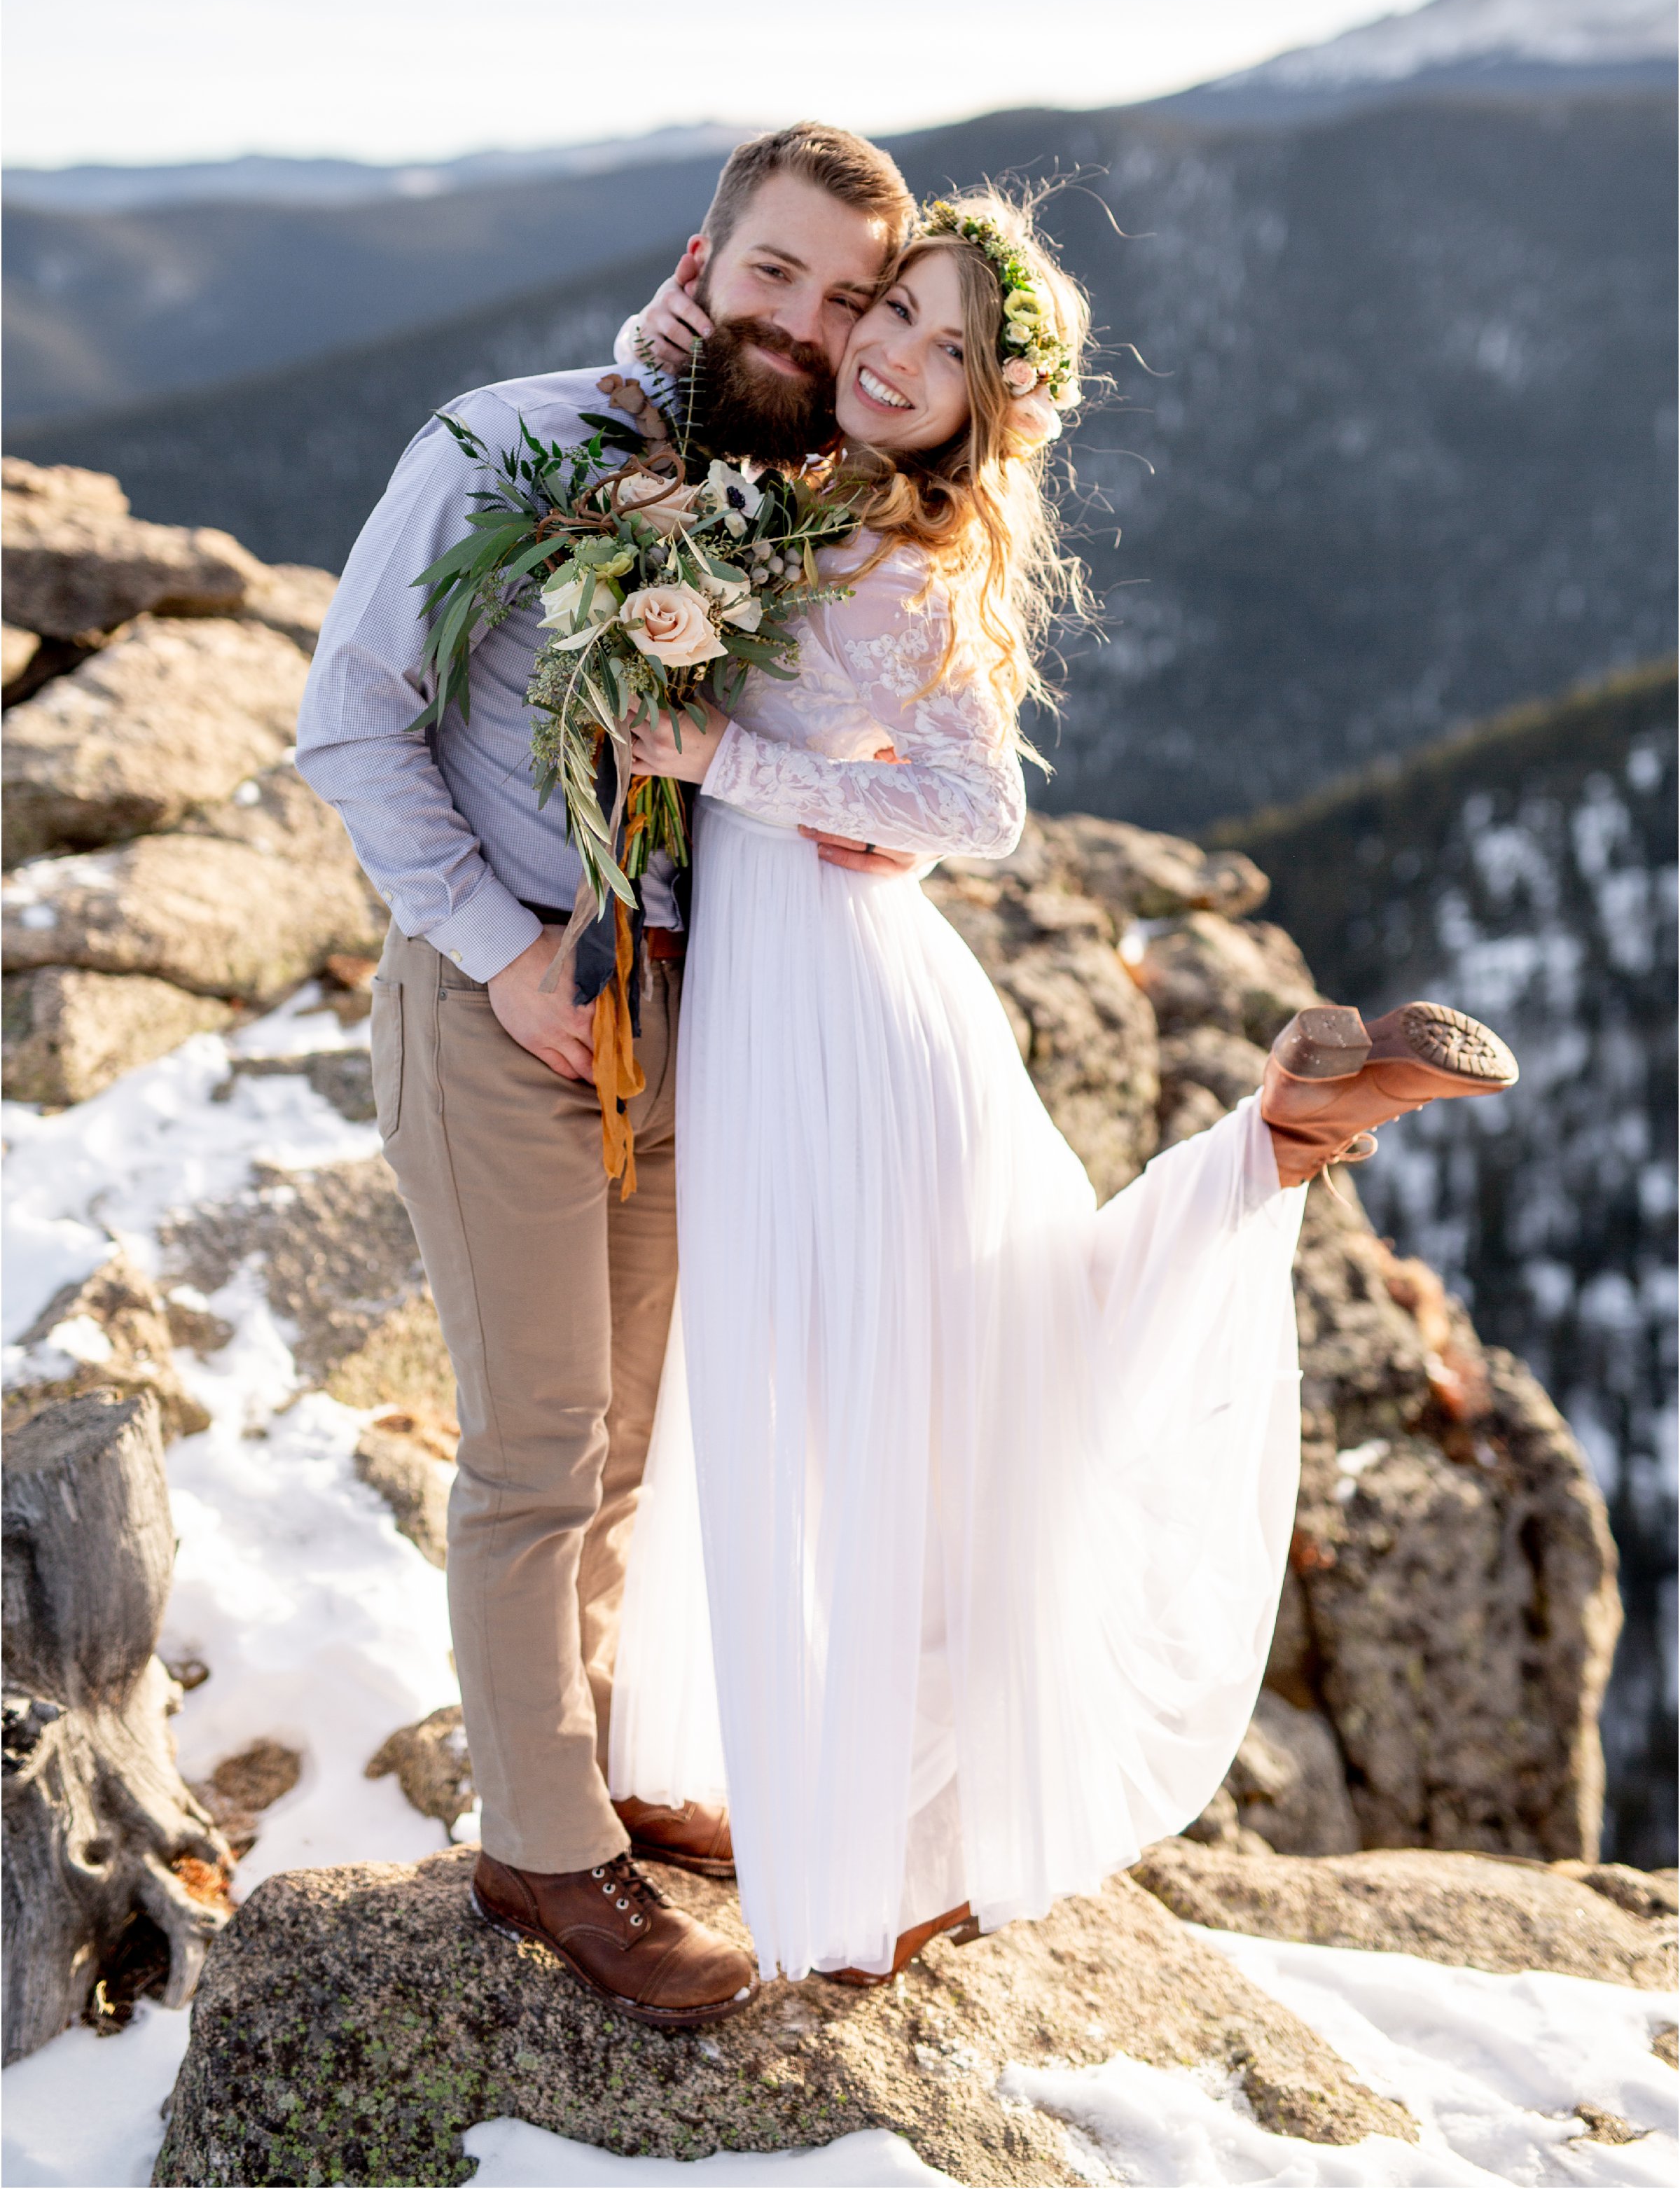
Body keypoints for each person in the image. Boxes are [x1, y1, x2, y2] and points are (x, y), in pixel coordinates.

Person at [616, 192, 1520, 1984]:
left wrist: (734, 755)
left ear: (985, 406)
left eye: (951, 347)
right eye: (894, 314)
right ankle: (1278, 1137)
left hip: (852, 1028)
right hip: (782, 999)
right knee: (897, 1394)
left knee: (892, 1414)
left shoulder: (911, 561)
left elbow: (980, 811)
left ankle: (877, 1845)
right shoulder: (817, 509)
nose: (895, 354)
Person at [295, 123, 922, 2029]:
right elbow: (351, 718)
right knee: (540, 1434)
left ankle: (580, 1766)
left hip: (674, 1025)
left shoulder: (790, 511)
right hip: (504, 1015)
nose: (804, 326)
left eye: (842, 301)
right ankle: (545, 1851)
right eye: (778, 277)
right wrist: (503, 955)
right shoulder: (504, 443)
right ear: (706, 256)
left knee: (628, 1433)